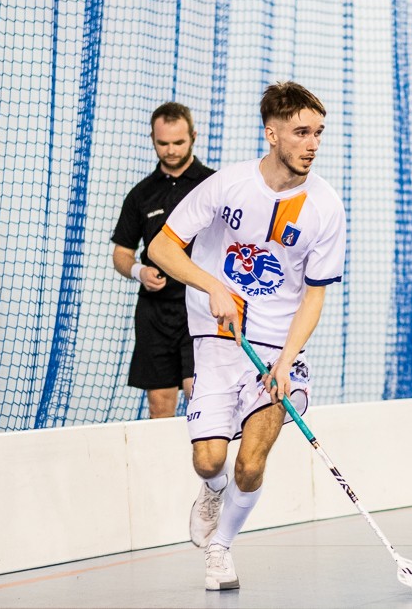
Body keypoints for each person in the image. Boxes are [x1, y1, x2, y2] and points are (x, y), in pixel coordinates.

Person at [148, 81, 346, 591]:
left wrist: (286, 360)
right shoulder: (227, 186)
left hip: (278, 349)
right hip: (216, 340)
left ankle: (221, 548)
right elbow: (162, 249)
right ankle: (211, 491)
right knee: (209, 461)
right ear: (272, 134)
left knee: (251, 463)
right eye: (301, 132)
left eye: (318, 133)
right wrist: (212, 285)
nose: (312, 143)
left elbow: (314, 297)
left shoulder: (326, 206)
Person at [111, 102, 214, 419]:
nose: (170, 150)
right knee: (159, 405)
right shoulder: (140, 194)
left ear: (193, 136)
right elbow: (121, 253)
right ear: (153, 140)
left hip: (201, 307)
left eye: (178, 142)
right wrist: (138, 271)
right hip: (155, 312)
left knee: (200, 397)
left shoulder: (213, 186)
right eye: (163, 143)